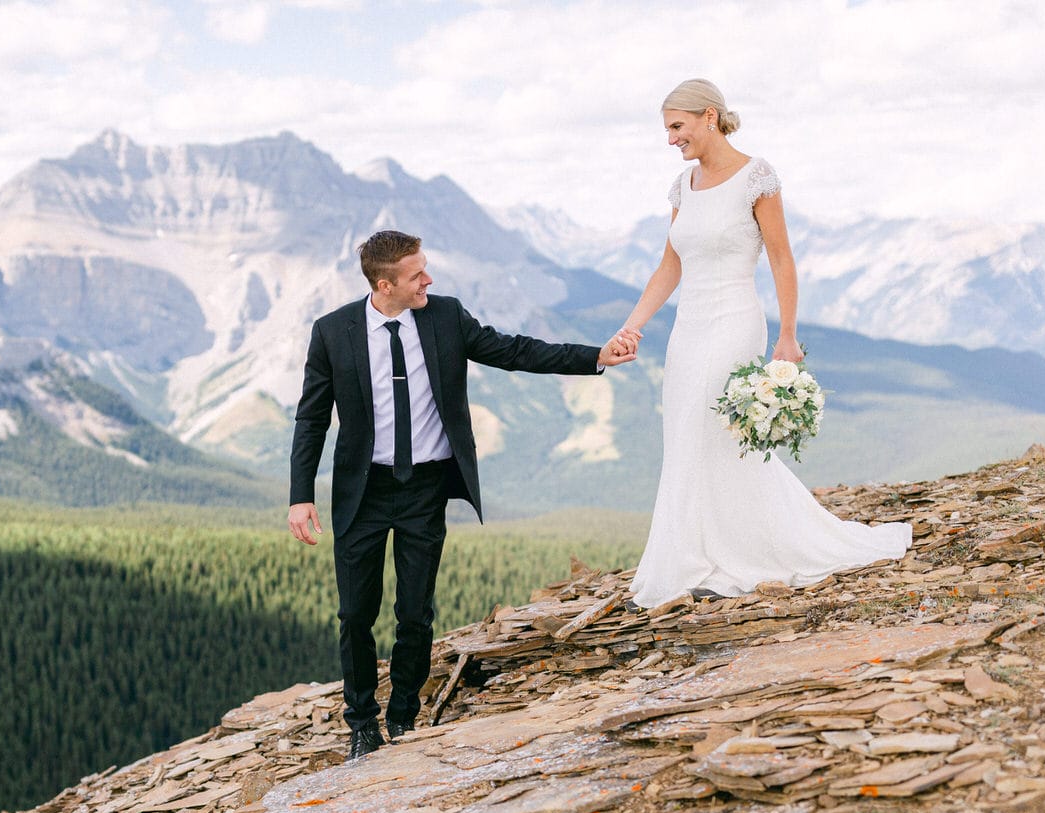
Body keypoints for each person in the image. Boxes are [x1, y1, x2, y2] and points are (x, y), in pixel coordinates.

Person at [288, 230, 640, 759]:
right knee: (355, 614)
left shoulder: (445, 316)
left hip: (425, 487)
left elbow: (515, 350)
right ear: (385, 285)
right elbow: (312, 417)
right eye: (416, 275)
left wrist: (595, 356)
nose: (428, 280)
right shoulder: (333, 331)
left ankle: (403, 717)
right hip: (361, 490)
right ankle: (361, 724)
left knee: (415, 612)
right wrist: (300, 494)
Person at [620, 79, 911, 609]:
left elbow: (781, 258)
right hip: (688, 329)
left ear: (709, 116)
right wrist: (633, 324)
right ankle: (695, 550)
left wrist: (788, 335)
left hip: (734, 320)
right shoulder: (682, 185)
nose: (670, 139)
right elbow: (670, 266)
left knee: (717, 429)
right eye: (666, 129)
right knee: (685, 432)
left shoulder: (757, 177)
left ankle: (747, 548)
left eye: (676, 127)